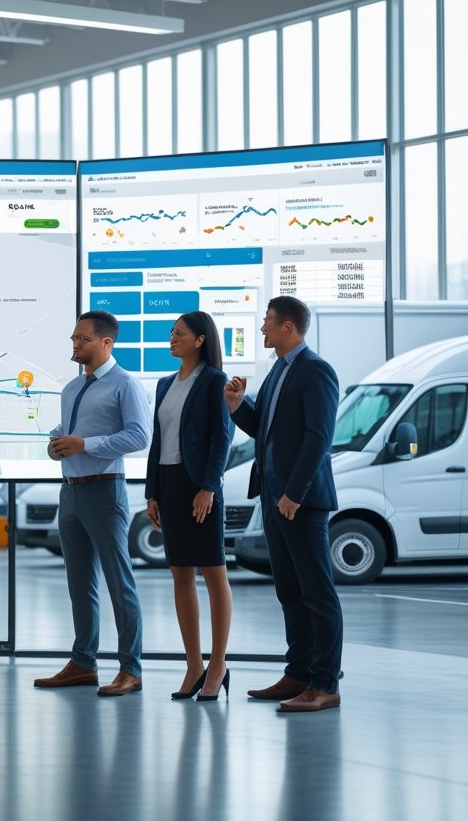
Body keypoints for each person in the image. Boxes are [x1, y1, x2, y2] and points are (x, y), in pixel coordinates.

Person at [224, 296, 342, 713]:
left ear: (289, 327)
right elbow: (265, 431)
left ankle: (325, 684)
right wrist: (240, 407)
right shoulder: (277, 372)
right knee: (290, 591)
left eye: (267, 323)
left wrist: (295, 493)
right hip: (273, 498)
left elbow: (318, 439)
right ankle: (298, 674)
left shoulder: (316, 371)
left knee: (317, 593)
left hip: (301, 501)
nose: (262, 329)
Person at [34, 311, 150, 697]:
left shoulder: (125, 385)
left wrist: (86, 445)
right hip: (71, 491)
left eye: (82, 339)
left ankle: (130, 669)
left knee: (119, 583)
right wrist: (58, 442)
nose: (75, 344)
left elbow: (139, 436)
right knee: (79, 583)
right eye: (73, 338)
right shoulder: (71, 388)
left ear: (106, 343)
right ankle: (83, 662)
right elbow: (70, 430)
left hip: (105, 490)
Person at [144, 312, 234, 702]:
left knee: (213, 573)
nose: (172, 338)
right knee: (180, 574)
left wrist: (208, 487)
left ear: (200, 340)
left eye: (179, 334)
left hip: (200, 487)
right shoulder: (165, 384)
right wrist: (152, 492)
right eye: (171, 333)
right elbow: (157, 441)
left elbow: (221, 438)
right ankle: (194, 664)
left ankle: (218, 664)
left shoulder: (215, 381)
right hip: (169, 484)